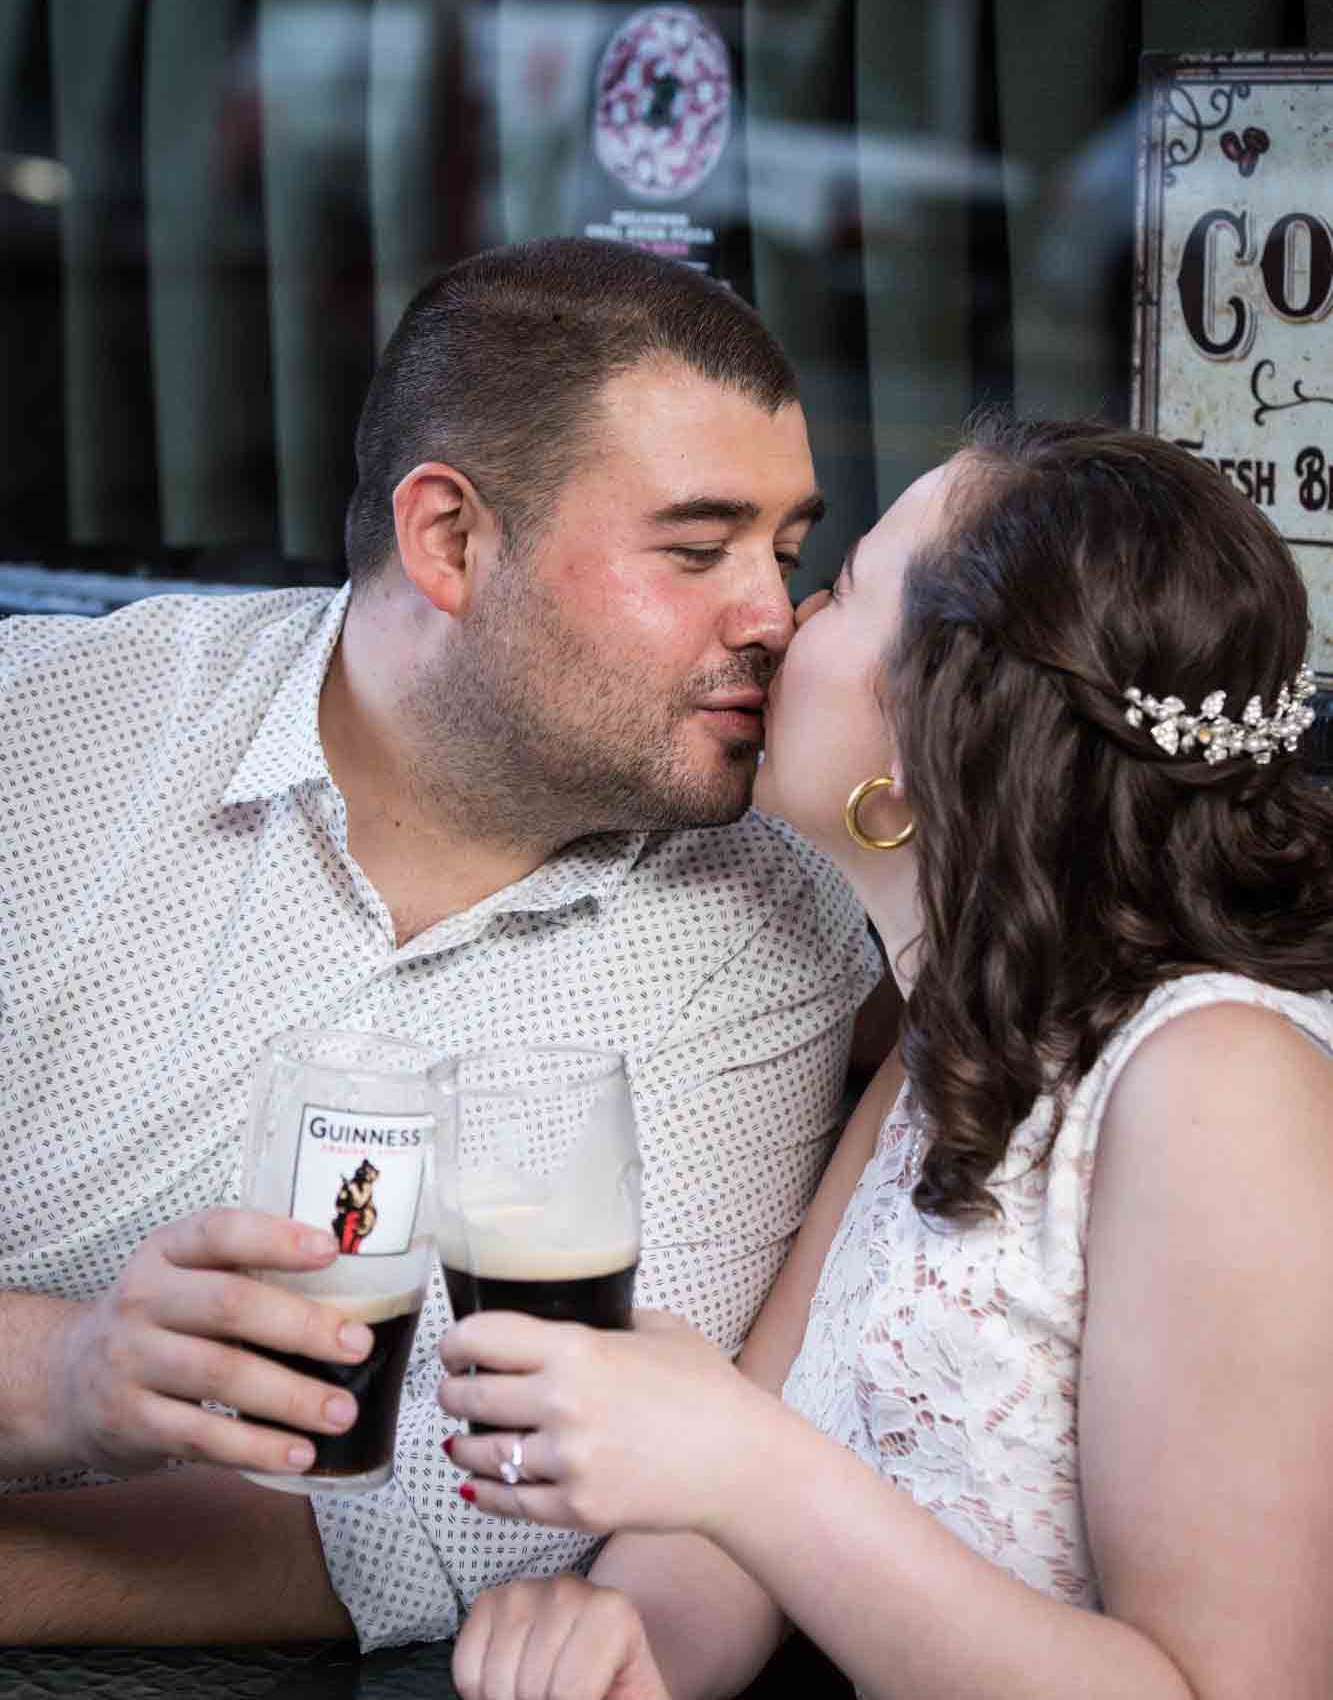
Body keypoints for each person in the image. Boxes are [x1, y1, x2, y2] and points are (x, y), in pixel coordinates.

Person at [0, 238, 881, 1651]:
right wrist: (60, 1377)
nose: (774, 617)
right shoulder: (50, 732)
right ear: (451, 540)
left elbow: (458, 1511)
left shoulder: (763, 929)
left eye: (785, 552)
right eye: (696, 548)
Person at [437, 415, 1333, 1700]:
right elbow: (728, 1516)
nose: (784, 618)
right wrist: (614, 1638)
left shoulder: (1217, 1086)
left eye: (844, 585)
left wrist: (745, 1464)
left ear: (922, 729)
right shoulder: (960, 1034)